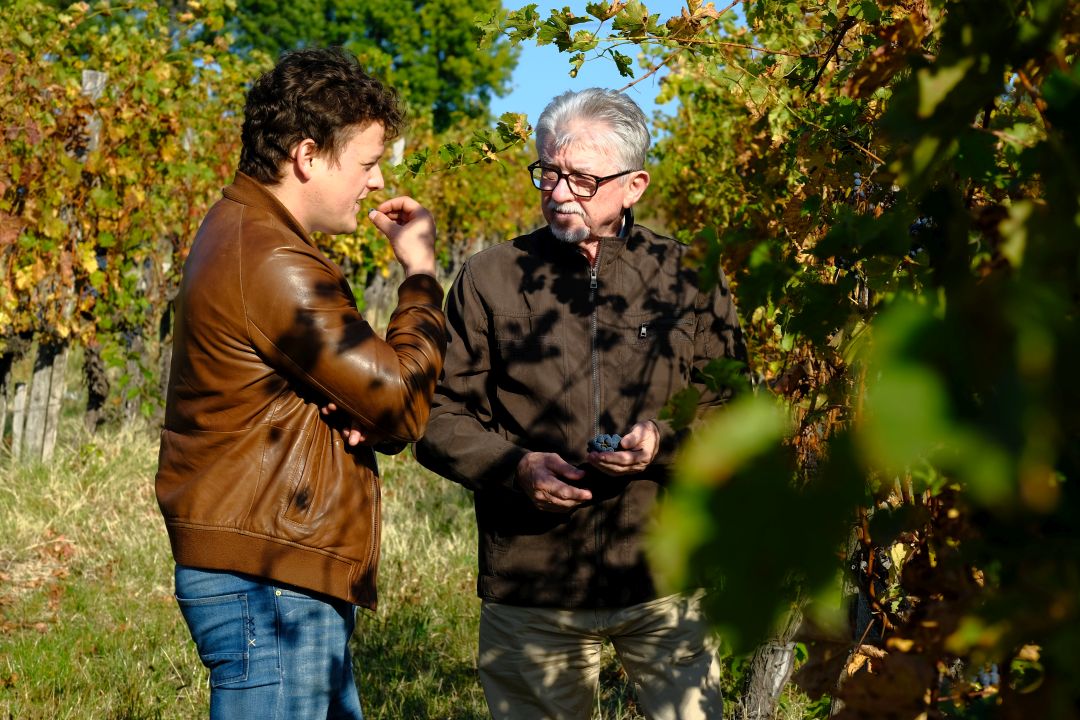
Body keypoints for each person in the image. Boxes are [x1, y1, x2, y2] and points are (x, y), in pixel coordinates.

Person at [415, 88, 747, 720]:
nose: (560, 192)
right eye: (549, 172)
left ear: (634, 185)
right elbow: (436, 414)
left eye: (583, 179)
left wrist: (663, 445)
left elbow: (733, 409)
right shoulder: (491, 276)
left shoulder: (687, 276)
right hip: (532, 581)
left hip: (662, 579)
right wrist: (513, 468)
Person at [155, 47, 447, 719]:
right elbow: (401, 404)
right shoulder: (273, 260)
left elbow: (372, 401)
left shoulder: (243, 232)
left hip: (273, 563)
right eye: (368, 163)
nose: (375, 184)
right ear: (308, 155)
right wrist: (422, 276)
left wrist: (354, 405)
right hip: (269, 578)